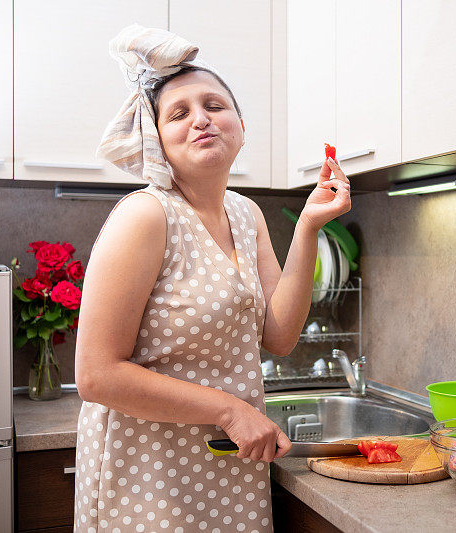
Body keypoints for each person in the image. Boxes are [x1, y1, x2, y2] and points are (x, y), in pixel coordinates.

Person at [73, 25, 350, 532]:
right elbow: (96, 374)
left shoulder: (246, 215)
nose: (201, 119)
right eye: (178, 114)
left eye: (215, 105)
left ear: (240, 125)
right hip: (150, 472)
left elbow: (281, 335)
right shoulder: (146, 216)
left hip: (228, 465)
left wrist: (309, 225)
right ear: (156, 140)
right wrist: (228, 410)